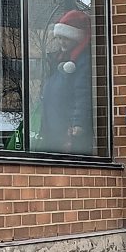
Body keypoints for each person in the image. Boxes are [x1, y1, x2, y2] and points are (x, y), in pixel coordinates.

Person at [40, 10, 93, 155]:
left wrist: (78, 123)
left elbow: (82, 94)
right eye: (59, 38)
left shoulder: (80, 63)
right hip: (55, 125)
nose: (61, 42)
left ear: (76, 38)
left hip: (67, 129)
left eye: (65, 38)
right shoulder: (59, 60)